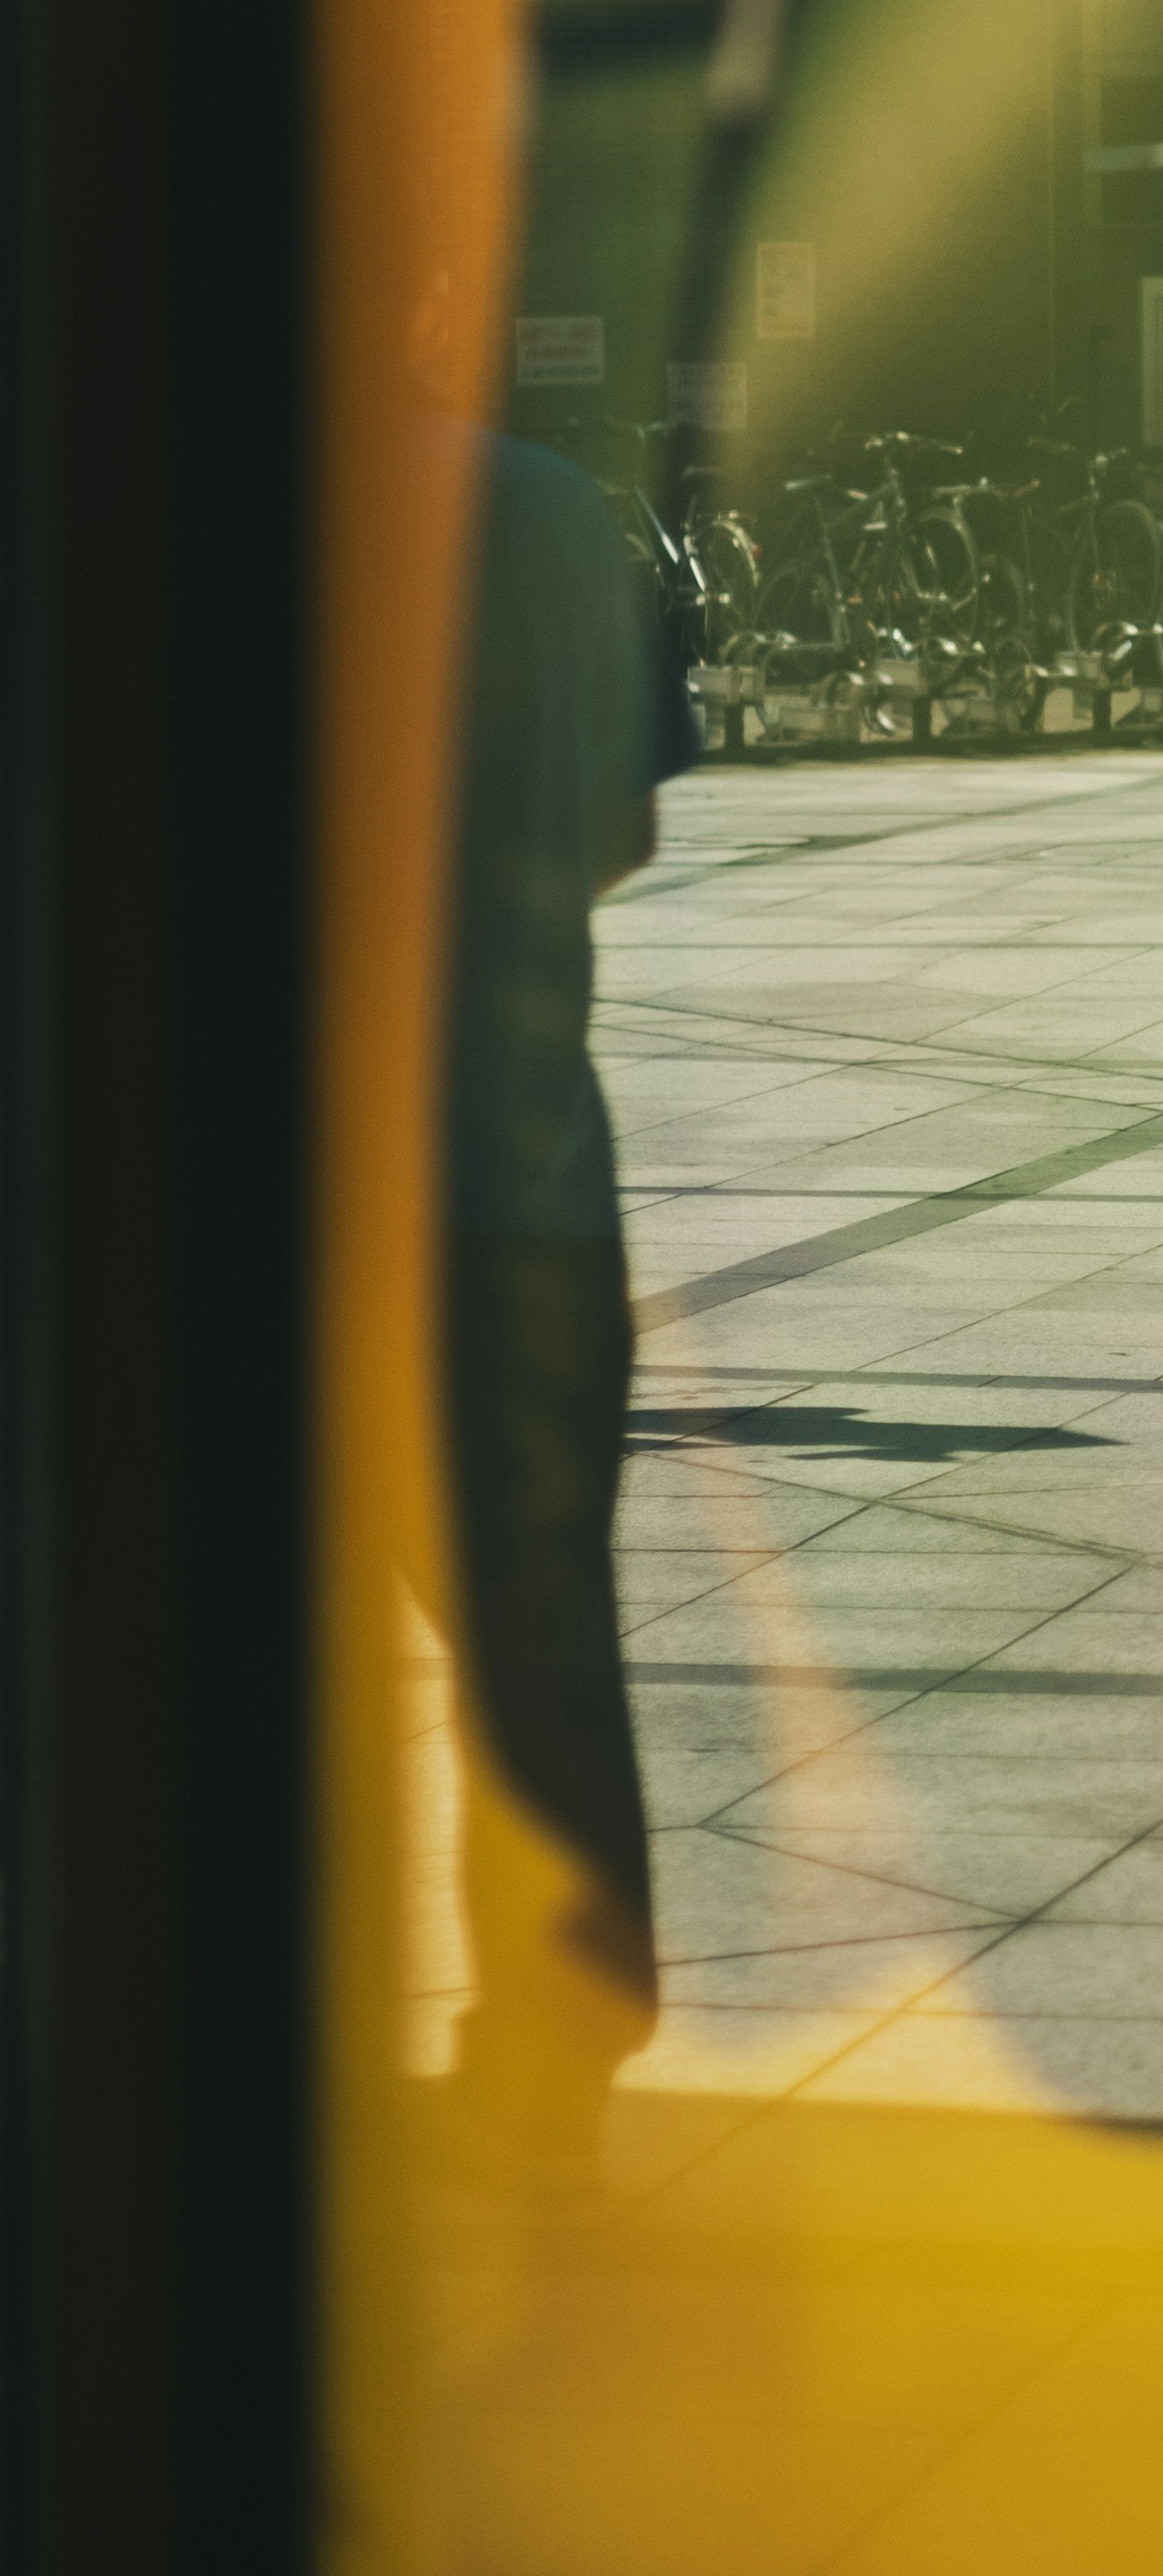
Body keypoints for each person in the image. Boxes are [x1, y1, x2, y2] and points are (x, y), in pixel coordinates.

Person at [442, 408, 696, 2157]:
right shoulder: (543, 510)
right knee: (532, 1632)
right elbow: (625, 830)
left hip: (298, 1194)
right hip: (530, 1174)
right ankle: (555, 2047)